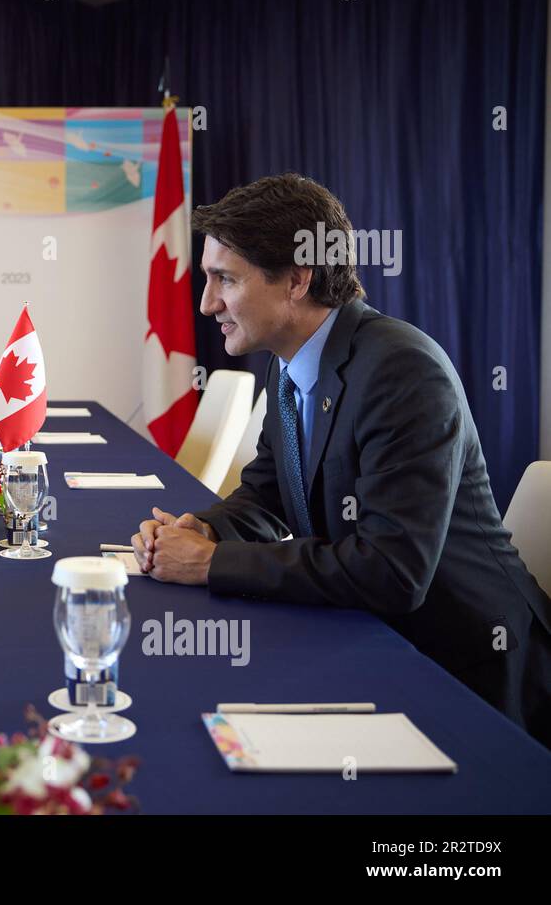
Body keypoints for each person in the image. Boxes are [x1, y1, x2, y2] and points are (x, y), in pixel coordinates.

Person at [130, 174, 551, 747]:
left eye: (224, 279)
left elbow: (392, 572)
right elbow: (269, 491)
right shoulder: (292, 359)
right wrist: (200, 528)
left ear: (297, 280)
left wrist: (210, 563)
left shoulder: (402, 371)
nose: (207, 303)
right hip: (371, 637)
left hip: (466, 676)